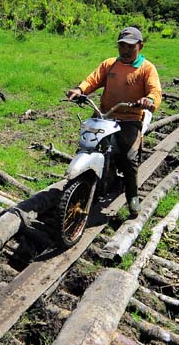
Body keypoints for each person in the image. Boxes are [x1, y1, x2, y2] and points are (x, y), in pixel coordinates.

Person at [66, 26, 162, 216]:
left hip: (129, 119)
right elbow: (92, 80)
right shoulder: (110, 64)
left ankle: (133, 196)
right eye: (122, 46)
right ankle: (86, 179)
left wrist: (148, 101)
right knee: (87, 145)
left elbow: (155, 91)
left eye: (130, 47)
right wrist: (79, 90)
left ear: (140, 46)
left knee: (128, 158)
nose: (125, 51)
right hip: (105, 115)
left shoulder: (146, 68)